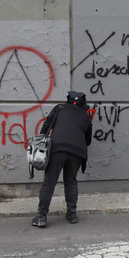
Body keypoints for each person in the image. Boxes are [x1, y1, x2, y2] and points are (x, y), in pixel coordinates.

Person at [32, 91, 93, 227]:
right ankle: (72, 214)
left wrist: (42, 142)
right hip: (77, 151)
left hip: (57, 148)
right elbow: (88, 140)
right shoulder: (86, 116)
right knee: (71, 181)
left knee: (49, 183)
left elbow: (46, 126)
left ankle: (41, 216)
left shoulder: (59, 108)